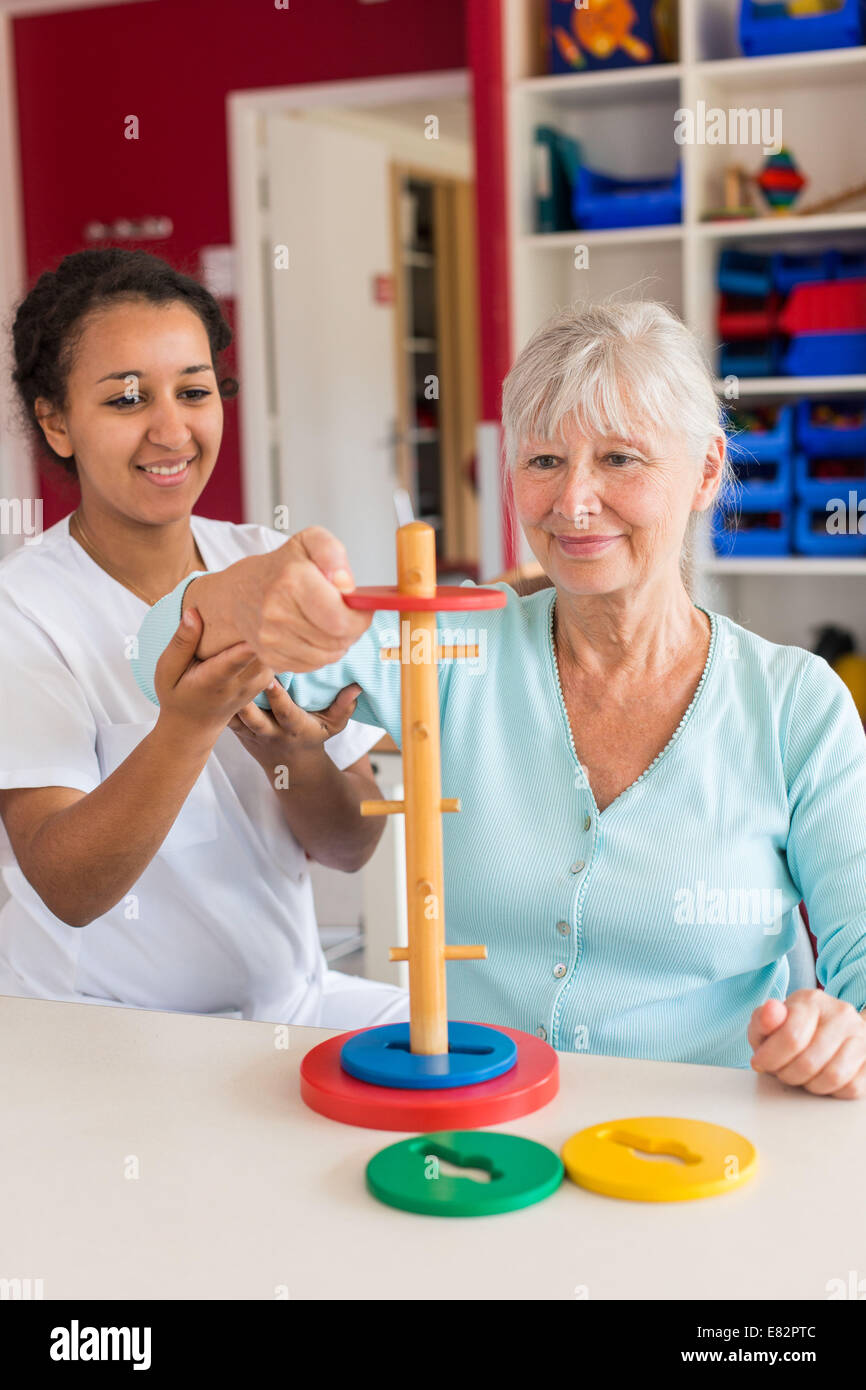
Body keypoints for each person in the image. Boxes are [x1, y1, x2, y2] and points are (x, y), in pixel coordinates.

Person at [132, 299, 866, 1096]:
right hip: (481, 1137)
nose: (574, 502)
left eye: (620, 458)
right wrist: (249, 594)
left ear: (707, 471)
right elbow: (154, 654)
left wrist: (839, 1036)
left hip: (699, 1153)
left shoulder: (795, 705)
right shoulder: (450, 649)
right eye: (544, 461)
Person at [0, 247, 409, 1027]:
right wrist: (187, 725)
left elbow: (352, 848)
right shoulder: (23, 612)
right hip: (96, 1029)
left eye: (194, 391)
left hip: (285, 1005)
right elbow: (70, 889)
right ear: (56, 422)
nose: (171, 429)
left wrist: (298, 757)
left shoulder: (265, 565)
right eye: (126, 400)